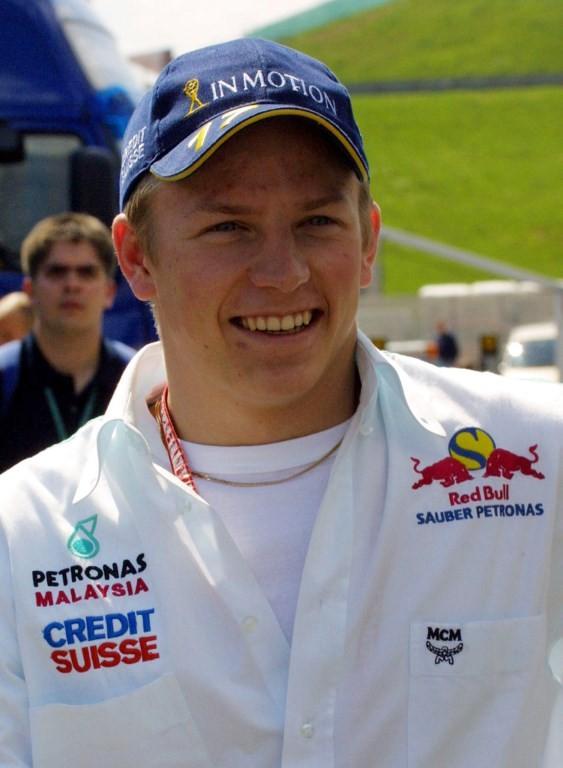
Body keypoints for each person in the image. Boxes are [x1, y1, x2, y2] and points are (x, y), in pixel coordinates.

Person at [0, 38, 561, 768]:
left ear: (367, 241)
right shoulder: (23, 536)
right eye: (227, 226)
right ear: (137, 258)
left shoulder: (536, 464)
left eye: (317, 223)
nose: (282, 272)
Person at [0, 213, 134, 471]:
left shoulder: (136, 380)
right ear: (30, 291)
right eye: (57, 272)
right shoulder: (4, 377)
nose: (72, 284)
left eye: (86, 272)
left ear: (109, 293)